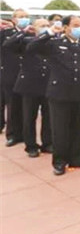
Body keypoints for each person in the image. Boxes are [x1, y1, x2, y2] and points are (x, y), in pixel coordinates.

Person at [27, 15, 80, 176]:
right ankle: (59, 162)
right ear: (65, 27)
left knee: (78, 128)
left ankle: (77, 158)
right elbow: (31, 48)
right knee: (60, 129)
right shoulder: (54, 43)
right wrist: (49, 32)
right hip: (59, 93)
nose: (79, 28)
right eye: (75, 25)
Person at [3, 18, 52, 157]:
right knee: (29, 117)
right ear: (34, 27)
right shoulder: (25, 40)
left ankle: (48, 143)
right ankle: (31, 146)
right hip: (30, 84)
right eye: (42, 25)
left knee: (48, 117)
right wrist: (23, 31)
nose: (45, 27)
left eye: (47, 25)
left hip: (48, 83)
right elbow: (7, 45)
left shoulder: (52, 40)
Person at [0, 9, 27, 147]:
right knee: (12, 105)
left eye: (26, 16)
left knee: (27, 107)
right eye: (21, 17)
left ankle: (26, 135)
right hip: (11, 73)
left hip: (28, 74)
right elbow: (6, 46)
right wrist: (22, 33)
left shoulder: (32, 33)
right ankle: (13, 134)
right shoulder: (6, 33)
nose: (24, 19)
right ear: (14, 19)